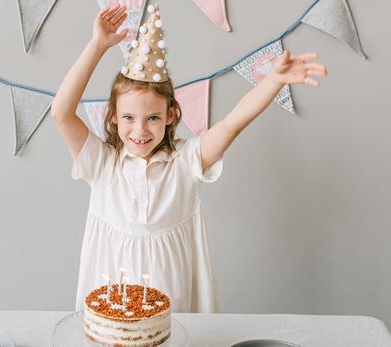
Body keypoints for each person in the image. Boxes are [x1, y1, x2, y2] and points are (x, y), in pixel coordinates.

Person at [50, 3, 327, 312]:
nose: (140, 130)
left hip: (172, 307)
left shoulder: (186, 162)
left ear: (171, 115)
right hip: (110, 310)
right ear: (112, 116)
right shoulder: (102, 165)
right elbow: (61, 112)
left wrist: (273, 81)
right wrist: (97, 46)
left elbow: (232, 124)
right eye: (128, 117)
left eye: (153, 118)